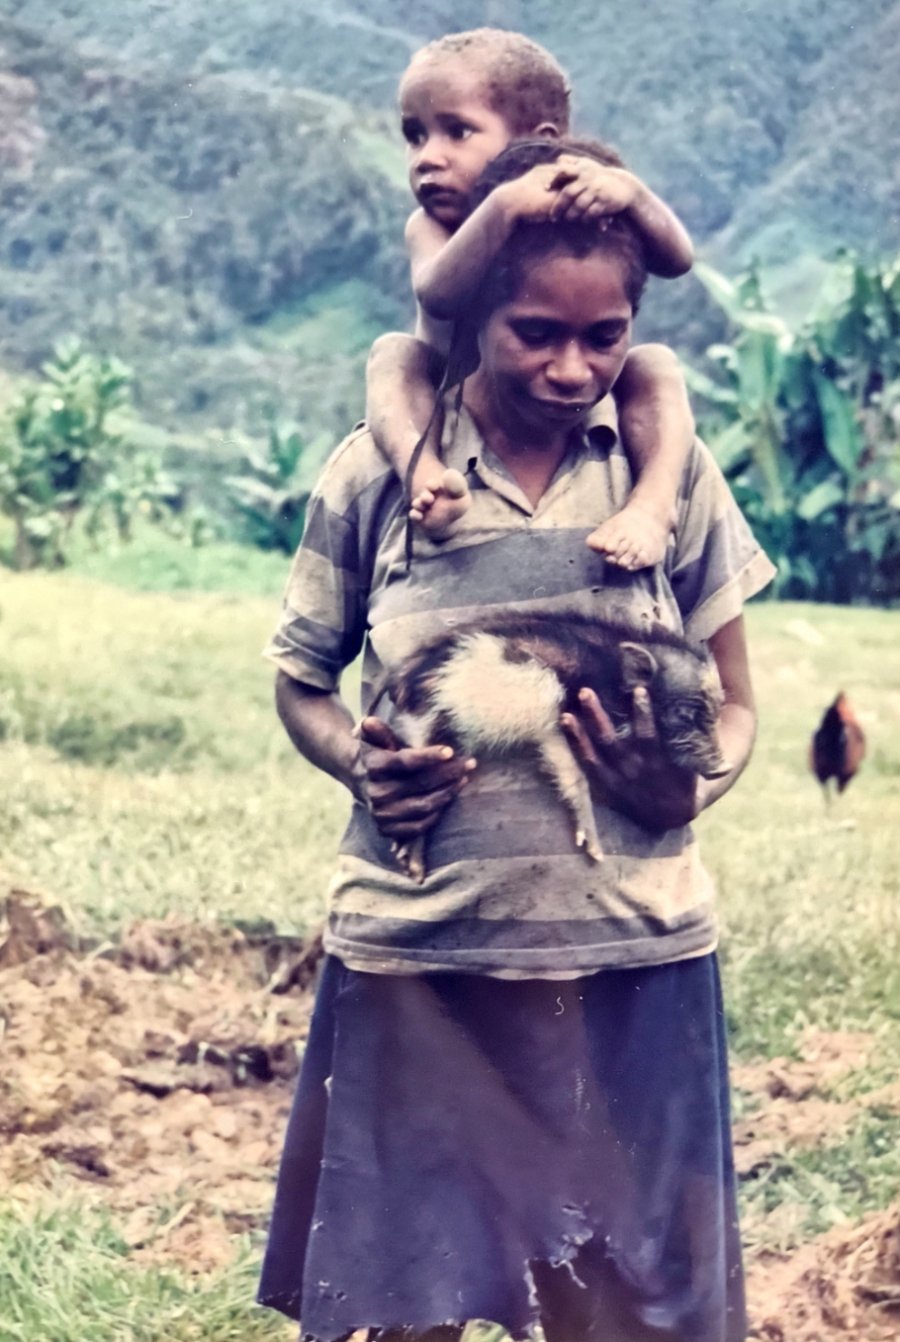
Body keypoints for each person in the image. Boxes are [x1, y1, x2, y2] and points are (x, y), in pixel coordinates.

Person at [258, 141, 776, 1342]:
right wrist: (358, 757)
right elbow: (300, 684)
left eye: (607, 338)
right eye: (535, 331)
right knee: (404, 1308)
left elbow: (741, 706)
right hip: (420, 966)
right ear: (474, 311)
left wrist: (694, 778)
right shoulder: (387, 474)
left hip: (633, 966)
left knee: (636, 1313)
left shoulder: (666, 472)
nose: (572, 367)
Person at [366, 27, 696, 569]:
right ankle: (424, 477)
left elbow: (677, 261)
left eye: (457, 132)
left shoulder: (569, 211)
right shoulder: (431, 227)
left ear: (536, 140)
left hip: (553, 406)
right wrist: (501, 209)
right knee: (393, 357)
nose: (428, 157)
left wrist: (632, 195)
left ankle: (653, 508)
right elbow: (438, 294)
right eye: (416, 135)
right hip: (451, 405)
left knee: (656, 367)